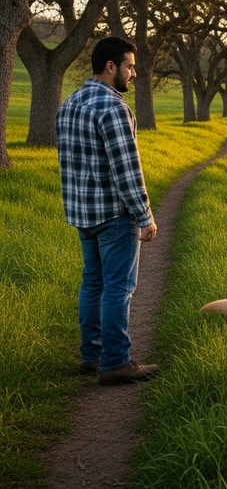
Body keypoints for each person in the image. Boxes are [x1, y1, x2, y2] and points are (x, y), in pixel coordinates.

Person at [56, 36, 159, 386]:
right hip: (114, 216)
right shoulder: (114, 108)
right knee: (118, 288)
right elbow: (127, 170)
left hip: (83, 215)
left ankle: (92, 356)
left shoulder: (69, 104)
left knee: (93, 284)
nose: (133, 74)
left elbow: (69, 165)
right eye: (129, 66)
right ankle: (115, 363)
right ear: (111, 66)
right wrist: (145, 216)